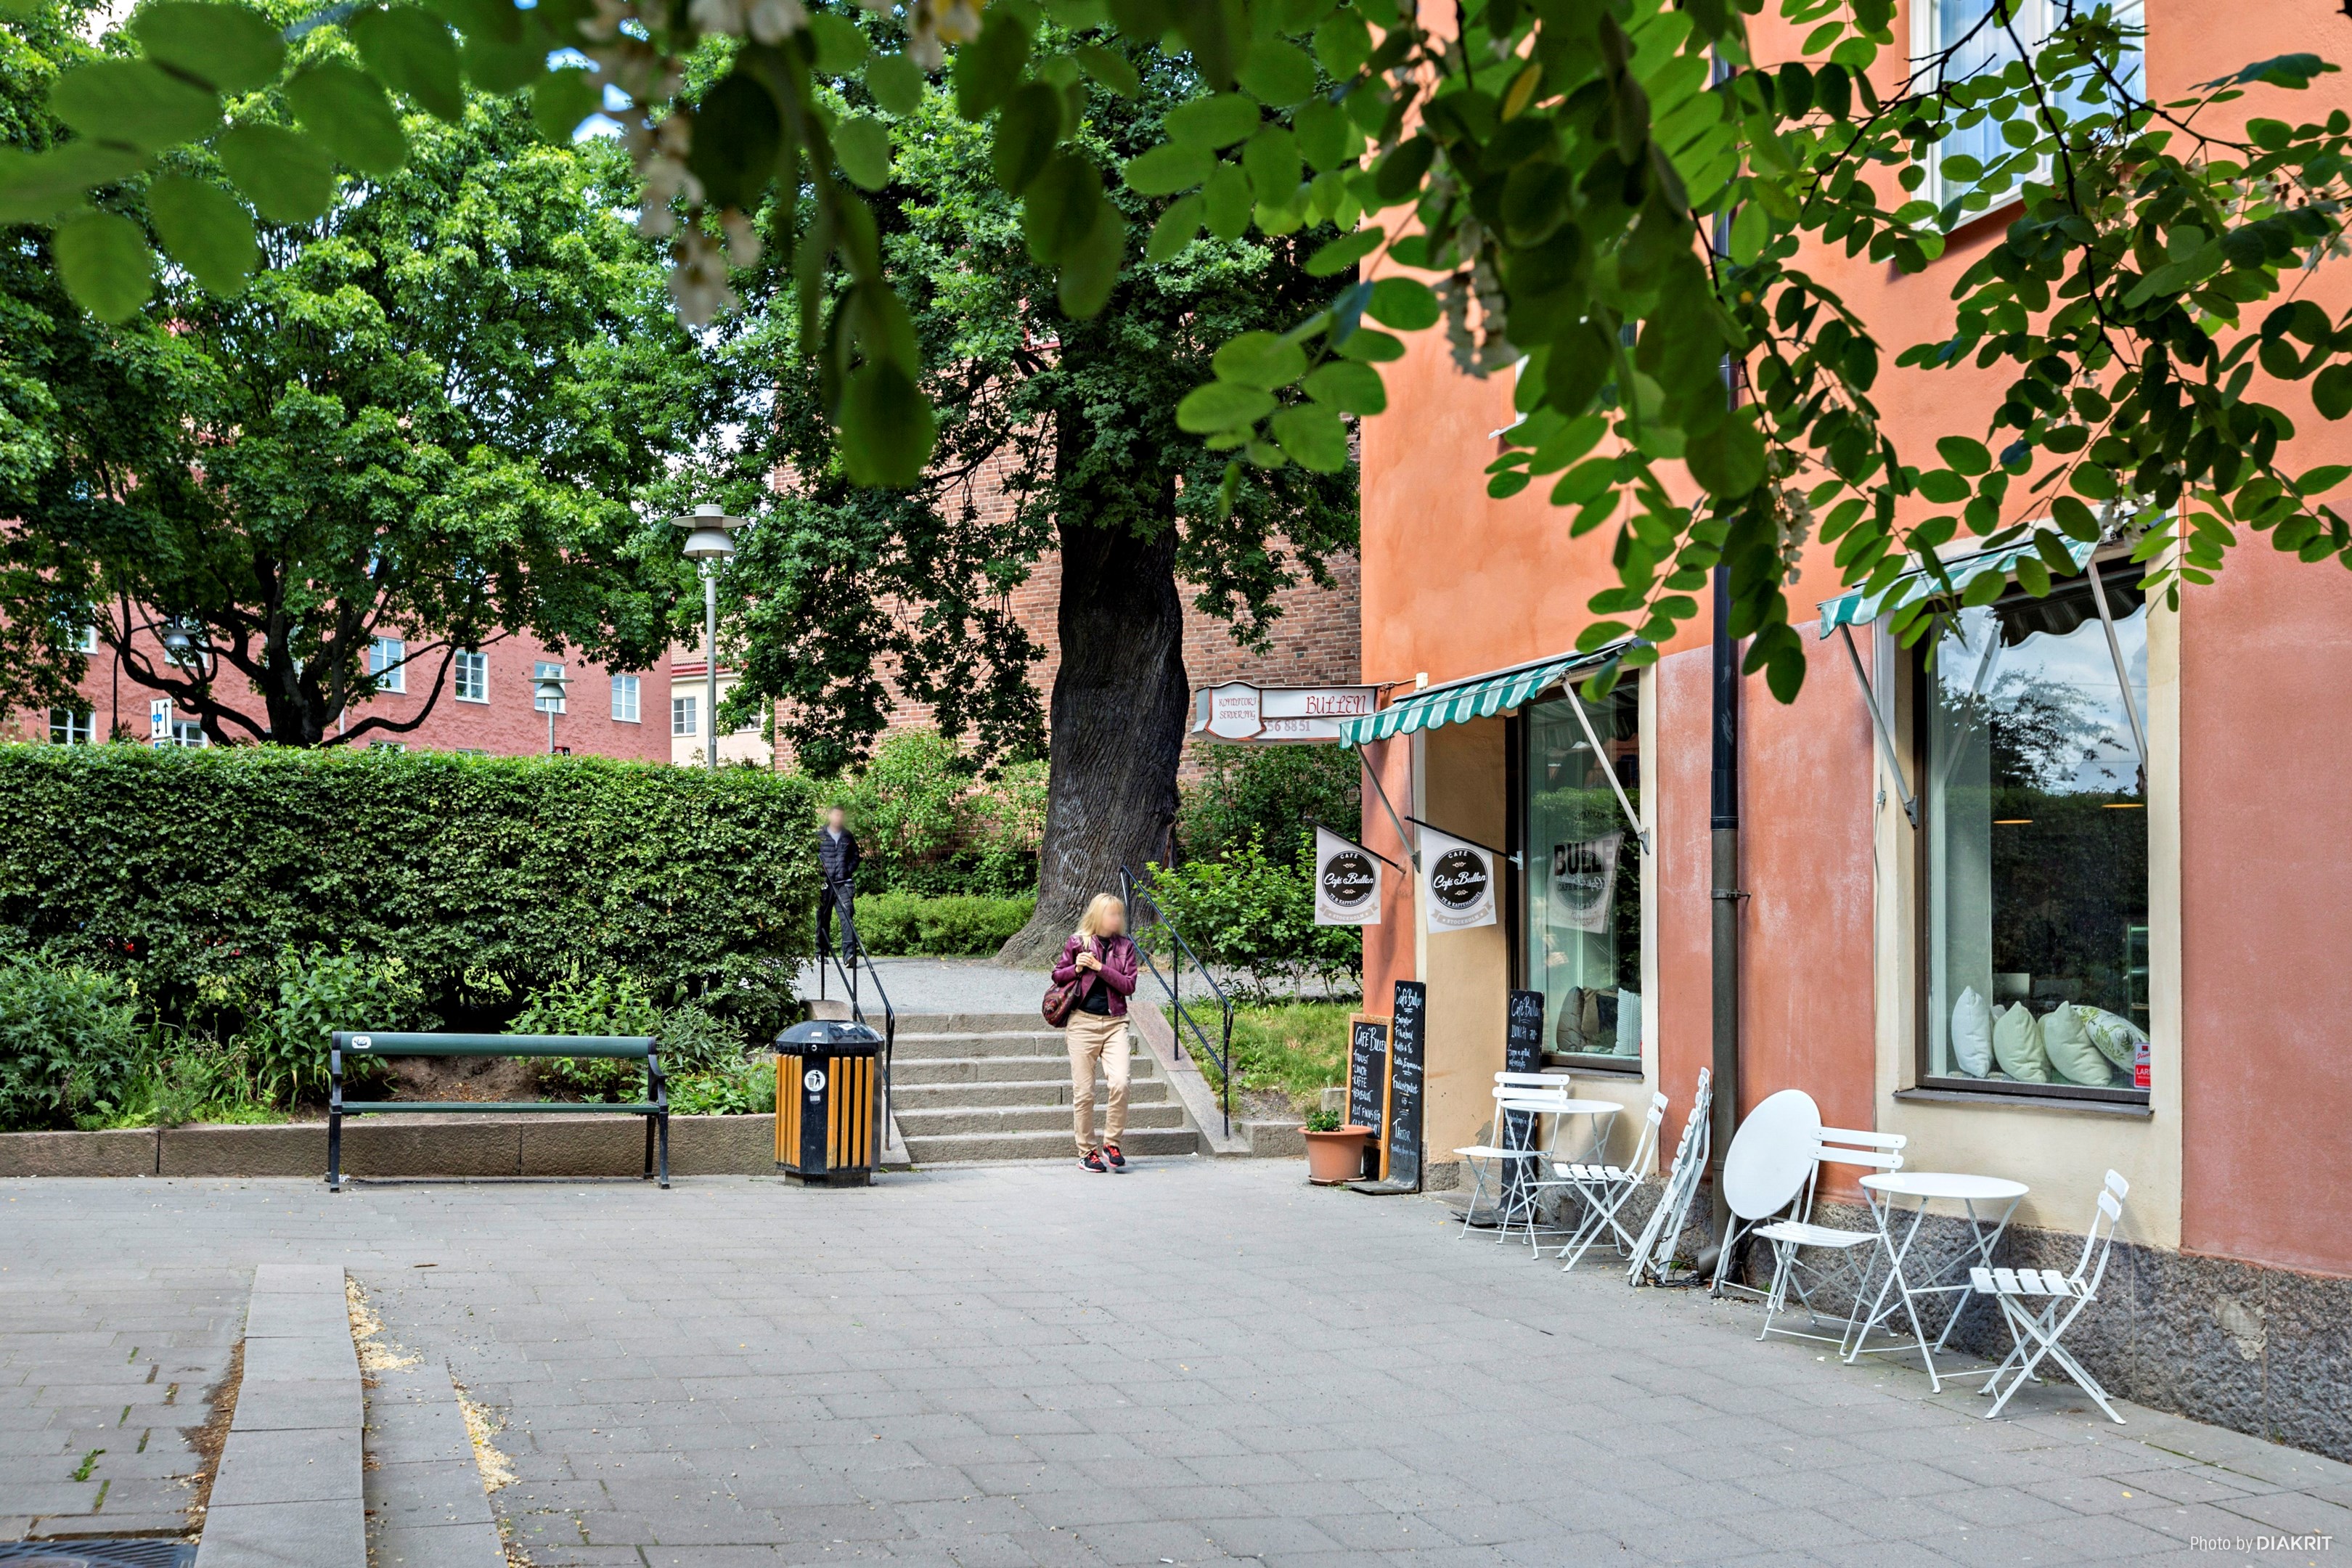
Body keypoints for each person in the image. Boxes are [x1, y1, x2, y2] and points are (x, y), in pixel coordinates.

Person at [1051, 893, 1140, 1172]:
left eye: (1119, 914)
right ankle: (1086, 1152)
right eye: (1112, 914)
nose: (1117, 919)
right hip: (1082, 1024)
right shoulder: (1078, 942)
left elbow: (1128, 986)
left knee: (1121, 1082)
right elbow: (1058, 975)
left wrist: (1100, 968)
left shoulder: (1125, 946)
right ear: (1098, 916)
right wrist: (1077, 968)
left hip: (1115, 1023)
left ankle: (1111, 1143)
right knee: (1085, 1092)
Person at [817, 805, 861, 959]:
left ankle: (849, 955)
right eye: (836, 815)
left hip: (843, 883)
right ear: (830, 816)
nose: (838, 819)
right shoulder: (820, 835)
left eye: (841, 816)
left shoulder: (848, 836)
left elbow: (856, 856)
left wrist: (847, 870)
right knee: (823, 917)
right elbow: (813, 856)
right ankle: (821, 952)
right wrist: (819, 873)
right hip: (825, 882)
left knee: (847, 917)